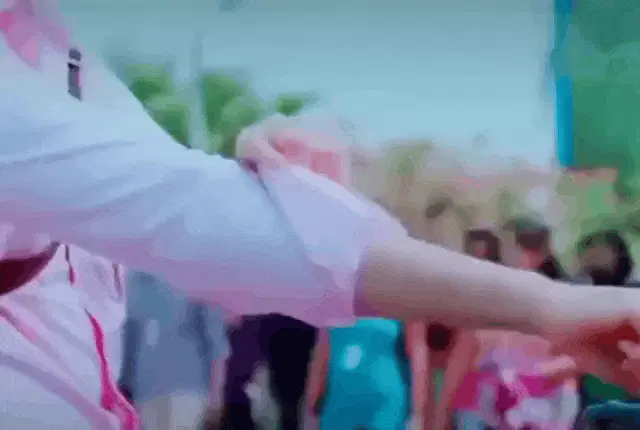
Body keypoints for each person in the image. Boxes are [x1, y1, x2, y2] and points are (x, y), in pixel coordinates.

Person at [1, 3, 640, 428]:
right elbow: (192, 209)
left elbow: (180, 194)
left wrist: (274, 181)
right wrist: (551, 306)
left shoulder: (59, 56)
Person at [119, 271, 229, 430]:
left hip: (186, 391)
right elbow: (129, 345)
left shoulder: (194, 277)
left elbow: (217, 345)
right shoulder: (135, 280)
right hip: (145, 393)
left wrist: (216, 393)